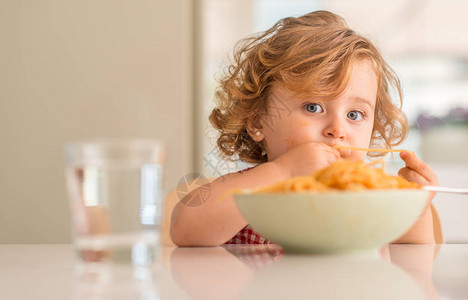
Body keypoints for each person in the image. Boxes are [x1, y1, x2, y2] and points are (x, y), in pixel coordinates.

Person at [170, 10, 438, 246]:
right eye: (313, 107)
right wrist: (283, 170)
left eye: (354, 114)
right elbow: (185, 230)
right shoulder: (250, 190)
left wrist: (411, 206)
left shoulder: (372, 197)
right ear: (257, 121)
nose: (337, 129)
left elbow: (415, 260)